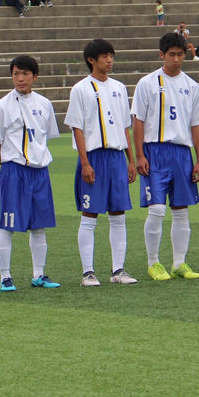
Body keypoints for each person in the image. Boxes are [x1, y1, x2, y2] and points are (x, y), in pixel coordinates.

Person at [132, 32, 199, 280]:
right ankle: (153, 262)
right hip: (155, 151)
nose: (176, 59)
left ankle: (179, 263)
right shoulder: (147, 83)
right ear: (161, 55)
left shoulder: (192, 86)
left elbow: (197, 125)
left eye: (180, 54)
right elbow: (138, 121)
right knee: (156, 209)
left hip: (182, 153)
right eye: (171, 54)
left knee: (181, 210)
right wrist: (140, 155)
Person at [65, 38, 138, 286]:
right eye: (104, 56)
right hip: (94, 157)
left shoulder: (119, 87)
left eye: (111, 56)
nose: (109, 60)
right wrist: (85, 163)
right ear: (91, 60)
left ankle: (118, 270)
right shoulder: (80, 89)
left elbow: (124, 126)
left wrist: (131, 160)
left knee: (118, 214)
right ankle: (88, 272)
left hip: (116, 157)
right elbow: (77, 128)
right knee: (90, 214)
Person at [0, 55, 61, 290]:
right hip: (14, 170)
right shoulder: (1, 106)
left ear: (34, 77)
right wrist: (8, 164)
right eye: (16, 74)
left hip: (40, 171)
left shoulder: (45, 104)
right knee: (7, 224)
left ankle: (39, 274)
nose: (20, 79)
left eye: (25, 74)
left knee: (39, 225)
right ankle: (5, 276)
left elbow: (45, 137)